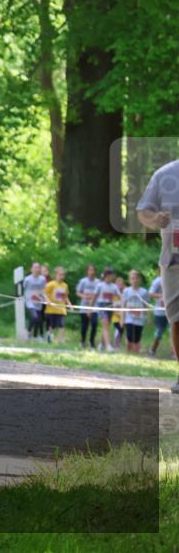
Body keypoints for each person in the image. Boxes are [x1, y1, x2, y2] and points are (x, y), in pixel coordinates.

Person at [137, 159, 179, 392]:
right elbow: (143, 211)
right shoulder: (165, 174)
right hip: (174, 259)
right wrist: (155, 219)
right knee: (177, 316)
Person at [121, 269, 149, 354]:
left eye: (136, 278)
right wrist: (122, 318)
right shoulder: (126, 291)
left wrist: (148, 317)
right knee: (129, 336)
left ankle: (136, 353)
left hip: (139, 318)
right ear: (129, 280)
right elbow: (123, 305)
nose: (135, 280)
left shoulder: (144, 292)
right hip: (129, 318)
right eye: (132, 278)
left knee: (137, 337)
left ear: (139, 279)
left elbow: (146, 305)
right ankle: (128, 352)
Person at [43, 266, 72, 344]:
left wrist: (69, 304)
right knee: (52, 325)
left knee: (61, 324)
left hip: (61, 309)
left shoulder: (65, 285)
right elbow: (44, 293)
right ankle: (49, 336)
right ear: (55, 275)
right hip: (52, 309)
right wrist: (48, 300)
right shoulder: (51, 284)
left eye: (63, 275)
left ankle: (60, 340)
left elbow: (65, 296)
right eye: (59, 275)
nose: (61, 277)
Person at [95, 267, 121, 351]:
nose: (113, 277)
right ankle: (108, 346)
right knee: (105, 324)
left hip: (110, 306)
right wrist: (90, 308)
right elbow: (95, 297)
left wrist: (120, 303)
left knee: (106, 326)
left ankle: (101, 344)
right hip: (101, 305)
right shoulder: (100, 285)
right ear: (108, 275)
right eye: (112, 275)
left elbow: (120, 296)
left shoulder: (114, 287)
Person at [149, 273, 173, 358]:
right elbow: (151, 293)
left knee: (173, 331)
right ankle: (152, 350)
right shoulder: (158, 281)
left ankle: (174, 353)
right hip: (160, 312)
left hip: (172, 312)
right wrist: (162, 295)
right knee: (159, 332)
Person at [76, 264, 100, 349]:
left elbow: (99, 293)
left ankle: (92, 342)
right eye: (90, 270)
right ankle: (82, 341)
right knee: (84, 325)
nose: (91, 272)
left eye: (93, 270)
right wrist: (84, 296)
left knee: (94, 323)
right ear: (87, 271)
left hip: (95, 306)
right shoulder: (83, 281)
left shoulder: (98, 282)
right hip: (84, 306)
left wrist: (94, 297)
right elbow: (78, 292)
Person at [22, 262, 47, 340]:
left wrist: (46, 299)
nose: (37, 269)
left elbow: (43, 290)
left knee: (39, 320)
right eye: (35, 267)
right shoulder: (27, 279)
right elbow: (22, 289)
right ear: (31, 269)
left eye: (38, 267)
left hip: (39, 302)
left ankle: (36, 336)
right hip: (30, 302)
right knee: (35, 317)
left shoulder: (42, 279)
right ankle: (29, 332)